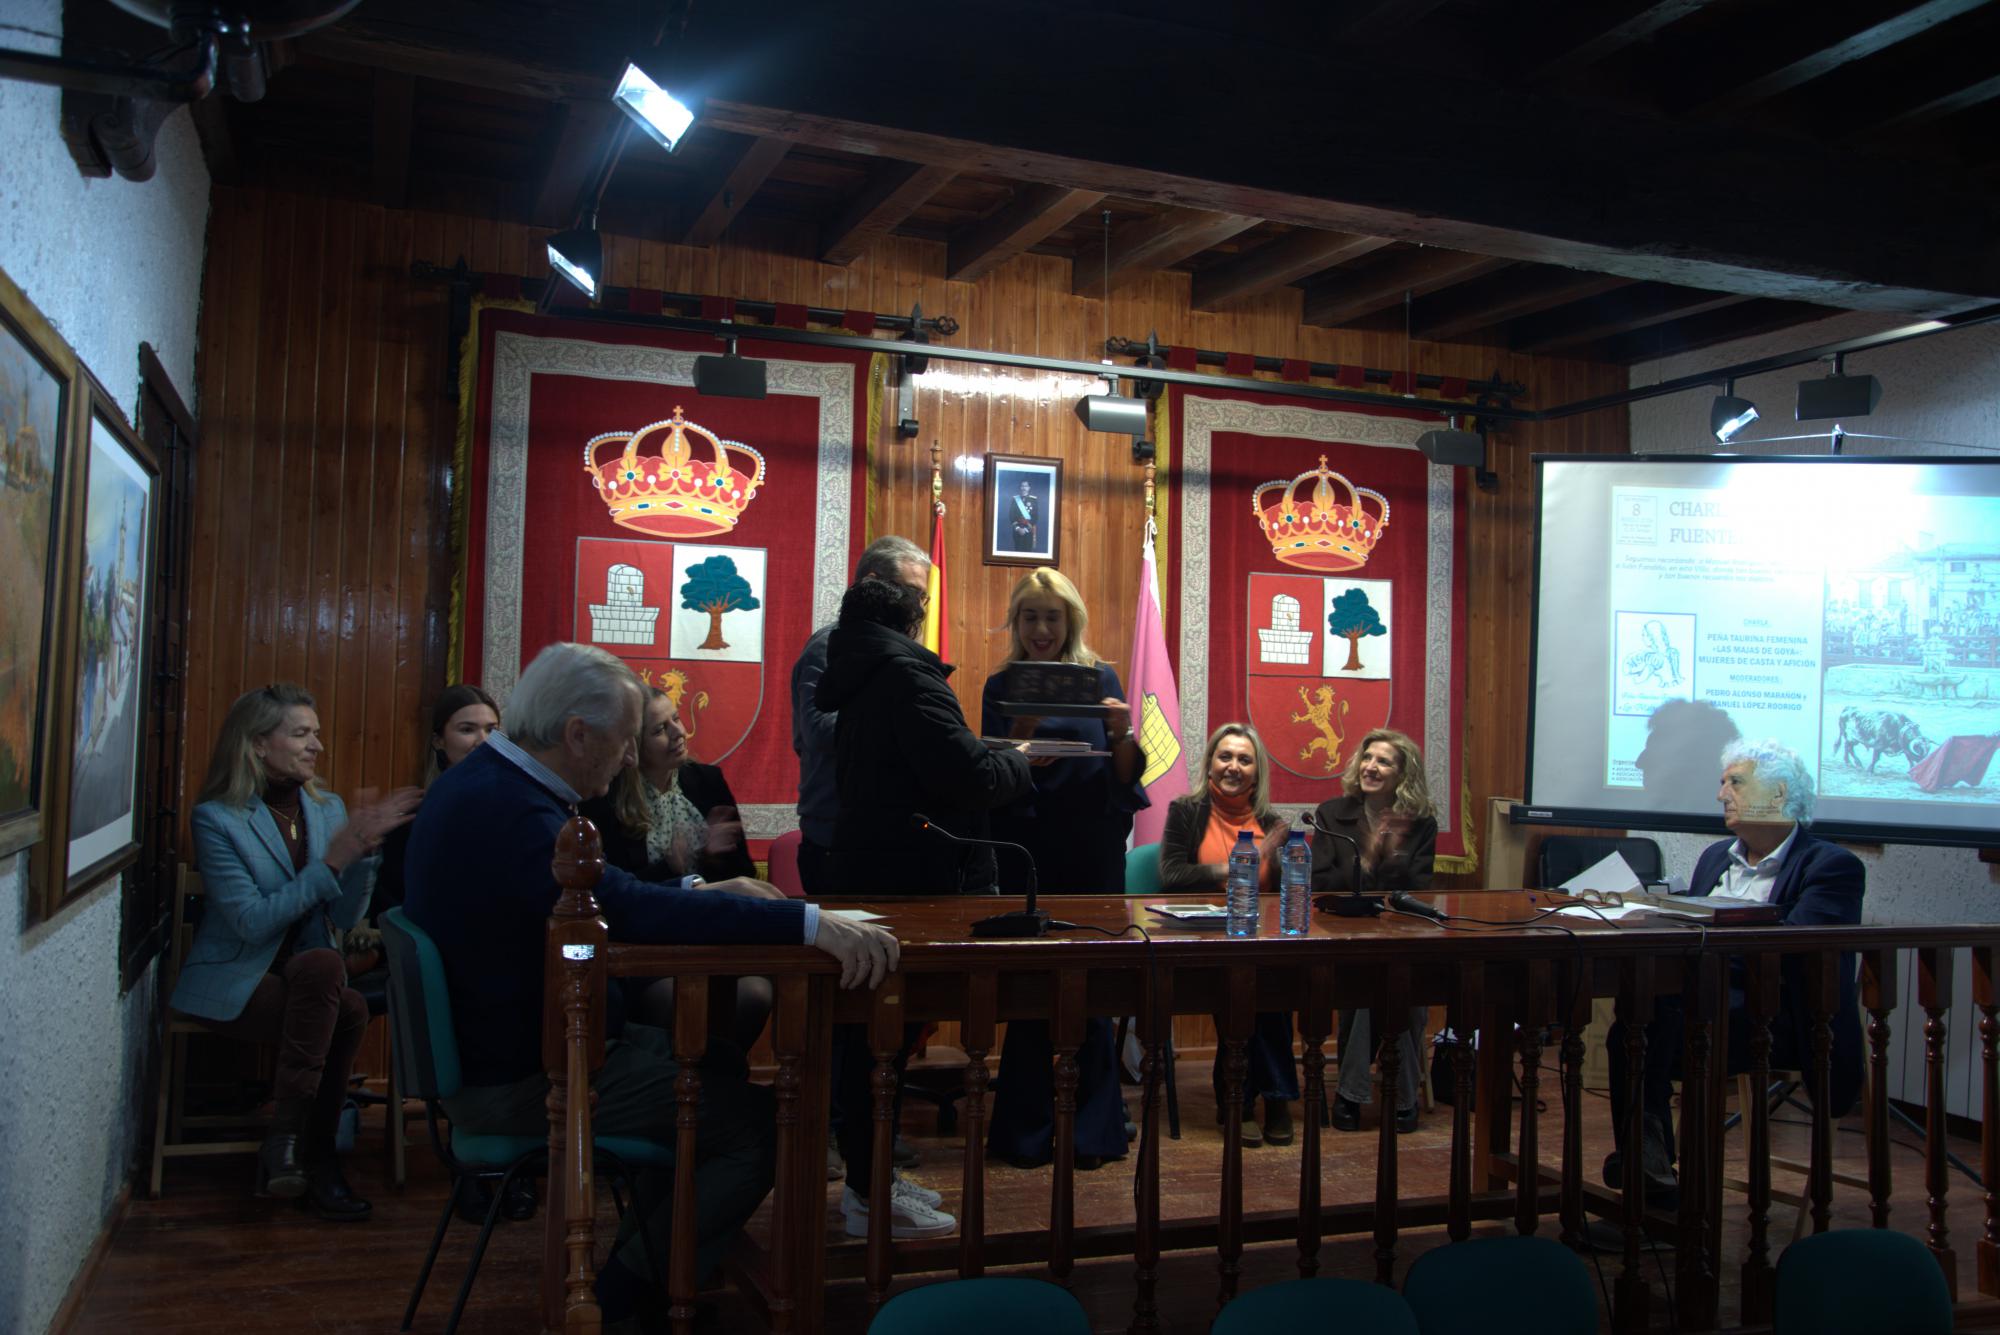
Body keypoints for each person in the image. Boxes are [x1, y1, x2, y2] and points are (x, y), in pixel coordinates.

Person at [403, 642, 899, 1325]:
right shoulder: (513, 809)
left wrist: (704, 888)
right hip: (522, 1080)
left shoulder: (491, 784)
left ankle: (666, 1256)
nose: (630, 758)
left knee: (717, 1061)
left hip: (509, 1051)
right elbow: (623, 909)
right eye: (623, 740)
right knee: (767, 1126)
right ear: (578, 734)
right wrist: (807, 922)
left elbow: (609, 895)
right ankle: (626, 1298)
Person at [815, 576, 1033, 1238]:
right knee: (881, 1043)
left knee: (871, 1043)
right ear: (912, 623)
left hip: (871, 870)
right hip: (913, 880)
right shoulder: (908, 676)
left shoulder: (856, 670)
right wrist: (1019, 760)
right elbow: (972, 778)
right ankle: (869, 1195)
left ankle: (871, 1179)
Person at [171, 684, 421, 1221]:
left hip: (310, 974)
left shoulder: (327, 810)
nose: (317, 747)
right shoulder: (217, 818)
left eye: (317, 734)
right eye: (302, 734)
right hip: (241, 974)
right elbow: (251, 922)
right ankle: (316, 1157)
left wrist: (364, 857)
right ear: (258, 743)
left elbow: (344, 919)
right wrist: (331, 863)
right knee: (344, 1004)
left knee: (325, 969)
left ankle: (289, 1145)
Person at [1605, 737, 1865, 1207]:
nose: (1721, 795)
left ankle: (1650, 1164)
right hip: (1702, 1002)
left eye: (1735, 783)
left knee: (1655, 1020)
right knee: (1638, 1017)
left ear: (1780, 794)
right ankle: (1649, 1161)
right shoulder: (1714, 857)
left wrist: (1709, 940)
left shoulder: (1832, 866)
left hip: (1777, 1017)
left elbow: (1795, 951)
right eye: (1722, 783)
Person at [982, 567, 1147, 1169]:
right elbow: (989, 775)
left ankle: (1093, 1134)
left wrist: (1122, 732)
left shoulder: (1100, 678)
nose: (1041, 628)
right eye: (1030, 616)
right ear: (1017, 622)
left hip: (1093, 846)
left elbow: (1125, 774)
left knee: (1092, 988)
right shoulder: (1000, 685)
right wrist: (1021, 739)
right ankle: (1025, 1134)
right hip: (1029, 848)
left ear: (1070, 620)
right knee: (1030, 991)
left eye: (1052, 617)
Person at [581, 684, 772, 1051]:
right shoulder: (606, 797)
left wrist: (712, 855)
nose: (679, 733)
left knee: (754, 995)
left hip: (712, 936)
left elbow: (744, 878)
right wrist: (671, 866)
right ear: (633, 746)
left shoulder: (707, 781)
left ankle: (719, 1077)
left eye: (677, 719)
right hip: (646, 945)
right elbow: (613, 893)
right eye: (659, 729)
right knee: (680, 1000)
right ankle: (674, 1078)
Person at [1159, 723, 1295, 1146]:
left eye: (1244, 759)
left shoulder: (1272, 823)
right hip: (1203, 939)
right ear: (1210, 763)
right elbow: (1171, 874)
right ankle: (1250, 1098)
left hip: (1260, 940)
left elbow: (1287, 891)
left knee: (1271, 991)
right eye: (1225, 756)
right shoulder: (1186, 811)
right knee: (1244, 988)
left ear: (1257, 772)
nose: (1233, 766)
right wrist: (1238, 864)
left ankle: (1254, 1096)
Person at [1312, 728, 1439, 1135]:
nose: (1371, 767)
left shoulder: (1420, 823)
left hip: (1401, 935)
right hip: (1345, 933)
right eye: (1367, 758)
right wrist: (1371, 859)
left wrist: (1383, 865)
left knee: (1404, 992)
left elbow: (1418, 888)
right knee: (1367, 988)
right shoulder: (1332, 813)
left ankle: (1384, 1097)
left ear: (1403, 774)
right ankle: (1363, 1095)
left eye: (1383, 761)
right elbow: (1321, 881)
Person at [790, 536, 931, 897]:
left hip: (880, 834)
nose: (919, 608)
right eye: (911, 593)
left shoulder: (896, 652)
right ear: (871, 584)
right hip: (834, 837)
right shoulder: (830, 645)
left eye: (923, 597)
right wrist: (904, 726)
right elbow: (818, 730)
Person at [369, 683, 499, 918]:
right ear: (439, 741)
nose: (483, 741)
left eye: (491, 730)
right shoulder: (411, 819)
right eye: (467, 730)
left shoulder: (513, 808)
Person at [1009, 478, 1038, 551]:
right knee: (1017, 550)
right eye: (1022, 486)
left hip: (1028, 530)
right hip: (1017, 530)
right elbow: (1011, 516)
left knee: (1028, 551)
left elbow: (1035, 517)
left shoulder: (1033, 500)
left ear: (1029, 488)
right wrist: (1018, 528)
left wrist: (1025, 529)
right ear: (1020, 487)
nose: (1024, 488)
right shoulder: (1015, 500)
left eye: (1026, 486)